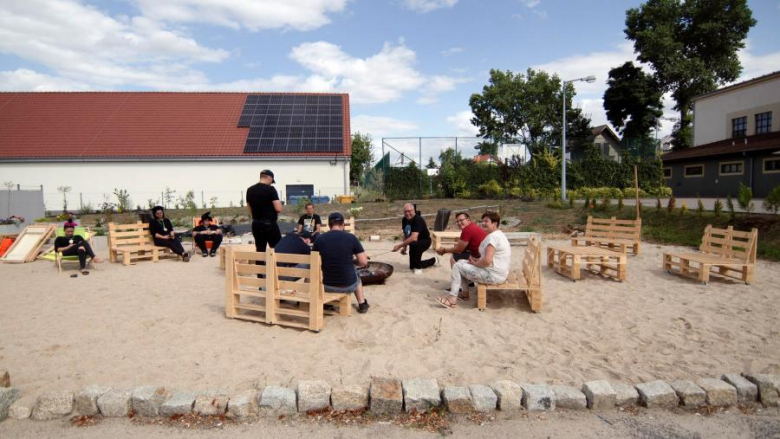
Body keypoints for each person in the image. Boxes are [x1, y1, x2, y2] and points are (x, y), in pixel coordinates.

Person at [437, 211, 511, 309]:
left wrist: (475, 263)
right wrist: (475, 261)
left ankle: (452, 300)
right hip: (498, 272)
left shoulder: (493, 237)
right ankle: (464, 294)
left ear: (494, 224)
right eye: (482, 221)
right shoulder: (497, 234)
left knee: (457, 266)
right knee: (460, 262)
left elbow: (487, 261)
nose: (483, 223)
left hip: (494, 276)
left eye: (486, 221)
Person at [312, 212, 370, 314]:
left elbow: (314, 262)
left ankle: (328, 303)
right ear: (343, 225)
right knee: (356, 273)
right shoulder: (351, 238)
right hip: (347, 285)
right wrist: (353, 261)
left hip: (326, 285)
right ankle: (362, 303)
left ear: (329, 225)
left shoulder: (319, 239)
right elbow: (363, 262)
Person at [392, 203, 436, 273]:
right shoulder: (404, 220)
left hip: (425, 241)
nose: (407, 213)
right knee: (412, 266)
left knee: (414, 244)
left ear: (414, 211)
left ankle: (418, 267)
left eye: (409, 211)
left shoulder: (418, 220)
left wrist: (399, 246)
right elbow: (406, 234)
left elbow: (413, 237)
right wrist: (404, 247)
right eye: (405, 211)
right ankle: (433, 260)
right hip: (414, 242)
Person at [246, 169, 282, 252]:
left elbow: (249, 208)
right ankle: (276, 265)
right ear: (269, 178)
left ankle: (260, 264)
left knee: (260, 249)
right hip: (269, 224)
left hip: (256, 224)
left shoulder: (250, 190)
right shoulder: (271, 189)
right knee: (277, 248)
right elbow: (278, 209)